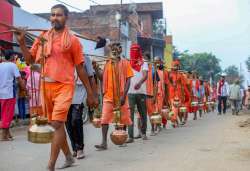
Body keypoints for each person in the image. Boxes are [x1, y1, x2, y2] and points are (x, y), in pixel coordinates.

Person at [15, 4, 98, 171]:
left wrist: (91, 93)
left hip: (64, 86)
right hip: (45, 85)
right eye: (52, 15)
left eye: (59, 15)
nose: (54, 18)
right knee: (56, 126)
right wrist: (22, 42)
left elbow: (80, 68)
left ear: (66, 17)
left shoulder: (73, 41)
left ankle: (50, 165)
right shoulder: (43, 37)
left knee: (57, 124)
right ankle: (68, 156)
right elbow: (30, 61)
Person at [94, 42, 133, 150]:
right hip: (108, 96)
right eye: (114, 48)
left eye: (119, 48)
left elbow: (128, 80)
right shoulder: (107, 63)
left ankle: (122, 138)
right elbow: (102, 78)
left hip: (121, 96)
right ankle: (104, 143)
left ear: (120, 51)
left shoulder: (125, 63)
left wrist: (124, 96)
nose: (116, 50)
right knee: (104, 119)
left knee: (123, 118)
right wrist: (96, 69)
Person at [65, 55, 96, 159]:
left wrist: (93, 95)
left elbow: (91, 77)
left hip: (80, 92)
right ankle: (74, 148)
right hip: (65, 92)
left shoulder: (84, 58)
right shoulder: (63, 55)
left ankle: (80, 148)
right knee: (68, 122)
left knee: (76, 119)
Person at [0, 50, 25, 141]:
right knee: (8, 114)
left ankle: (8, 134)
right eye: (14, 56)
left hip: (1, 93)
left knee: (3, 114)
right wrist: (25, 89)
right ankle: (3, 136)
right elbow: (19, 79)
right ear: (10, 57)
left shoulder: (0, 65)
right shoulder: (12, 65)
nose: (15, 57)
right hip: (8, 93)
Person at [126, 43, 148, 143]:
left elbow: (145, 75)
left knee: (143, 113)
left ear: (139, 51)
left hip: (141, 92)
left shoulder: (144, 62)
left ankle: (143, 133)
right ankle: (130, 136)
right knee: (130, 115)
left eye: (136, 50)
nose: (134, 52)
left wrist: (139, 83)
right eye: (132, 50)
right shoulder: (128, 63)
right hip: (130, 92)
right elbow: (126, 78)